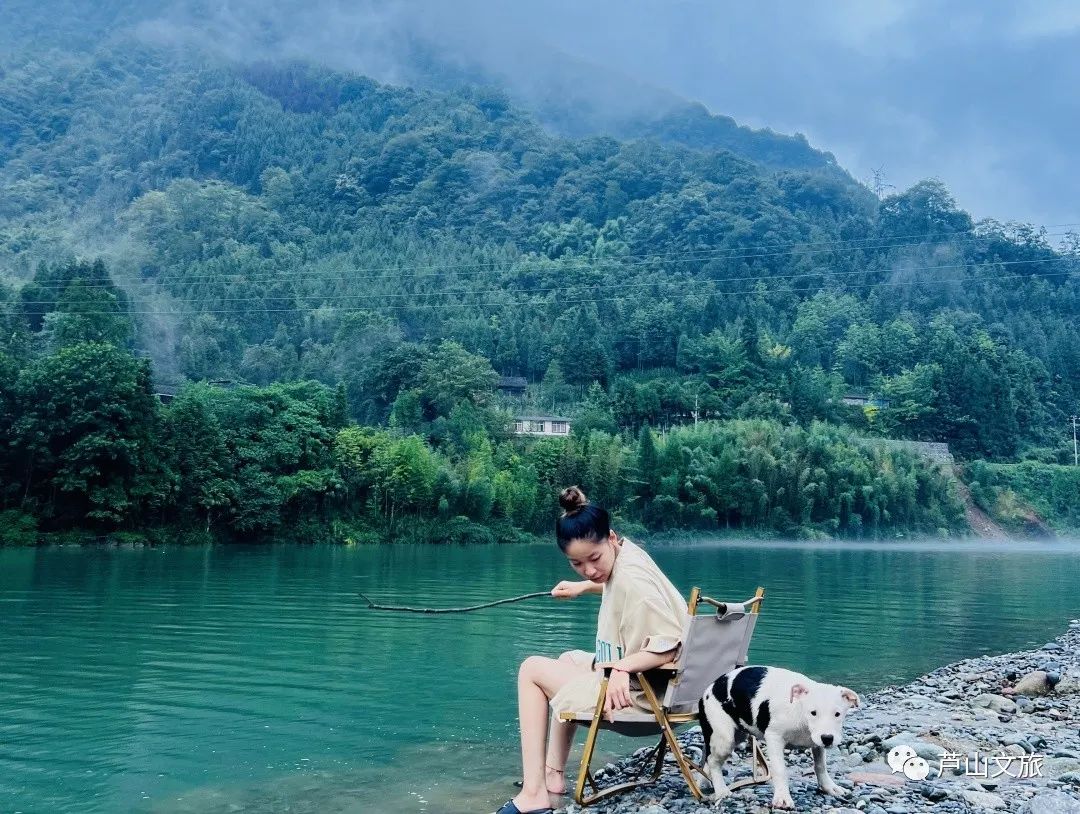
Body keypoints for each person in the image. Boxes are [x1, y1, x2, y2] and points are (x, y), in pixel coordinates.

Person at [494, 486, 687, 814]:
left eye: (593, 559)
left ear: (610, 538)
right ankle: (552, 777)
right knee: (568, 658)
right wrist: (584, 587)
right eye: (577, 564)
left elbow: (669, 645)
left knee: (531, 670)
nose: (589, 569)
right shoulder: (628, 555)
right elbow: (616, 583)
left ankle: (534, 794)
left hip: (644, 702)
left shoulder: (634, 583)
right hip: (674, 689)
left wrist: (622, 669)